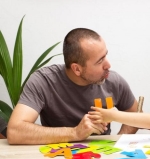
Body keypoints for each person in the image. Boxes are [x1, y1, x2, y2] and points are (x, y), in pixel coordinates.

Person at [7, 28, 139, 144]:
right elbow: (15, 131)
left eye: (105, 56)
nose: (108, 65)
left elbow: (136, 116)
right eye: (100, 61)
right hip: (57, 157)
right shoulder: (43, 81)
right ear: (77, 69)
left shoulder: (113, 81)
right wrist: (75, 133)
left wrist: (119, 142)